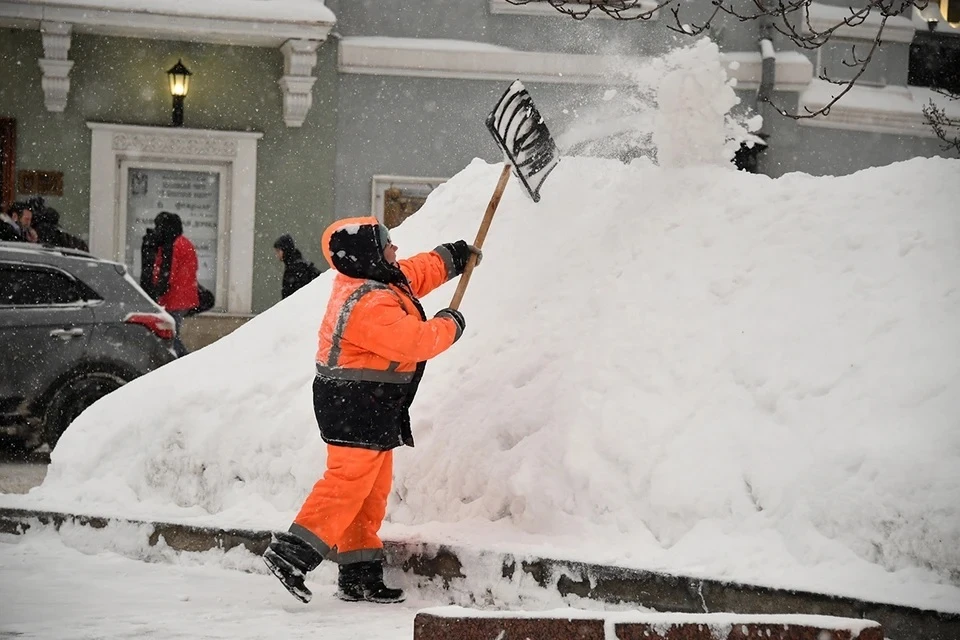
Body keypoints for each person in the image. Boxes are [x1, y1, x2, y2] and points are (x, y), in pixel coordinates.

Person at [262, 216, 481, 605]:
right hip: (352, 403)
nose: (394, 250)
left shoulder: (377, 280)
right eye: (387, 245)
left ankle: (359, 574)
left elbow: (414, 272)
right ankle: (292, 554)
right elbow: (415, 342)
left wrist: (453, 257)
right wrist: (450, 324)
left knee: (370, 492)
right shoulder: (367, 303)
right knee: (347, 484)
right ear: (368, 256)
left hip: (371, 403)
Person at [148, 211, 198, 357]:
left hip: (174, 298)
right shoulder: (185, 242)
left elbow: (168, 271)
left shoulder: (173, 245)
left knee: (170, 337)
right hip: (183, 297)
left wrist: (157, 289)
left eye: (159, 226)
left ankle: (184, 362)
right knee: (172, 335)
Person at [273, 233, 321, 299]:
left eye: (278, 251)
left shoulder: (295, 268)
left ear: (285, 250)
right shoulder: (299, 265)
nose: (277, 255)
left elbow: (294, 295)